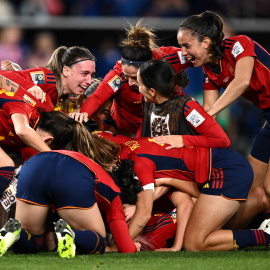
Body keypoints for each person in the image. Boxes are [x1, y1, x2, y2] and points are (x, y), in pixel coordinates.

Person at [96, 131, 270, 251]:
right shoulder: (117, 143)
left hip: (224, 171)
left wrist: (118, 247)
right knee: (227, 226)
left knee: (195, 243)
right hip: (221, 167)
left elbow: (144, 213)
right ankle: (261, 201)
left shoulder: (138, 164)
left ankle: (266, 235)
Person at [176, 10, 270, 229]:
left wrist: (208, 114)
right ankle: (260, 231)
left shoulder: (240, 44)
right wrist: (186, 139)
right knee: (254, 190)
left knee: (267, 188)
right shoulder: (210, 70)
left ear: (206, 42)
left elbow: (242, 81)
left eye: (187, 46)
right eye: (180, 47)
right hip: (268, 116)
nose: (183, 53)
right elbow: (209, 111)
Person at [0, 115, 142, 257]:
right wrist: (131, 247)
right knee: (98, 241)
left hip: (34, 164)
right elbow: (127, 247)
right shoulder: (113, 192)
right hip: (71, 171)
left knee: (33, 241)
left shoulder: (88, 163)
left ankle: (16, 234)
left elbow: (49, 242)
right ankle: (73, 235)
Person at [79, 20, 193, 135]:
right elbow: (98, 97)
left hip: (158, 125)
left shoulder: (166, 58)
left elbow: (200, 55)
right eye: (127, 76)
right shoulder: (118, 76)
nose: (130, 83)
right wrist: (82, 115)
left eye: (134, 77)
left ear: (149, 68)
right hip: (122, 129)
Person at [136, 59, 230, 149]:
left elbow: (222, 140)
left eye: (139, 85)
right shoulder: (147, 103)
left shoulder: (188, 107)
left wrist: (183, 140)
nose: (137, 87)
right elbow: (143, 131)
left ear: (152, 91)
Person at [0, 45, 96, 113]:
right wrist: (30, 86)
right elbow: (5, 75)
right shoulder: (47, 77)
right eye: (84, 74)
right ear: (66, 71)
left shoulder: (62, 97)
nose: (89, 81)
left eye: (92, 75)